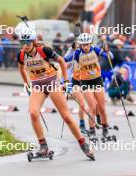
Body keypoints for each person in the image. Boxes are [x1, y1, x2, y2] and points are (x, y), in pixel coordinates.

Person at [17, 28, 94, 159]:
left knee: (66, 117)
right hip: (37, 85)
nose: (25, 46)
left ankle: (83, 144)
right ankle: (43, 147)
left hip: (52, 82)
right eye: (22, 43)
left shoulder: (44, 50)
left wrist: (66, 81)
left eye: (28, 43)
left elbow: (62, 62)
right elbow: (21, 69)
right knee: (33, 113)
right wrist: (27, 84)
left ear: (33, 41)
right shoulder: (21, 55)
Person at [64, 33, 111, 139]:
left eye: (87, 44)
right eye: (83, 45)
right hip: (84, 82)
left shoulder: (95, 49)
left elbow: (110, 56)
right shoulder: (77, 53)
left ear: (90, 43)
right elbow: (65, 59)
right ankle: (92, 130)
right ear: (80, 45)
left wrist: (107, 51)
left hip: (97, 80)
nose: (85, 47)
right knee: (92, 107)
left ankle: (104, 128)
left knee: (101, 107)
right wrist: (71, 49)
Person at [64, 41, 88, 134]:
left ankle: (97, 121)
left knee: (93, 104)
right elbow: (65, 60)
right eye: (78, 46)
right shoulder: (74, 54)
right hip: (76, 81)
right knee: (82, 104)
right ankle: (82, 125)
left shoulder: (89, 52)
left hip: (87, 81)